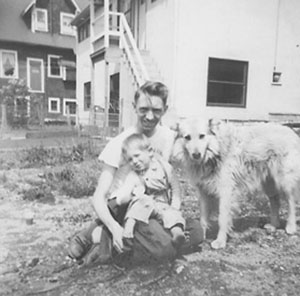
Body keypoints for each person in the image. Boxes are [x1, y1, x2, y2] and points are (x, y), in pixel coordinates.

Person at [68, 81, 203, 266]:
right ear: (134, 108)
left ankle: (102, 238)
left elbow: (192, 150)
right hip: (127, 208)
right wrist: (115, 227)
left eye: (156, 110)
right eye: (143, 109)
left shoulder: (168, 137)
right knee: (164, 248)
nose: (149, 116)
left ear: (165, 109)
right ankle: (102, 235)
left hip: (156, 207)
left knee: (196, 232)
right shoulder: (120, 143)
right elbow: (99, 196)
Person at [110, 133, 186, 247]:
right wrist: (128, 195)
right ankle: (129, 225)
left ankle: (178, 234)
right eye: (130, 159)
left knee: (173, 215)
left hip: (163, 205)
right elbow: (126, 192)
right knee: (141, 201)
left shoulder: (165, 167)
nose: (134, 161)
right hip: (145, 207)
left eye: (137, 156)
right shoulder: (133, 174)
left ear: (149, 152)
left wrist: (175, 207)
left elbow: (176, 189)